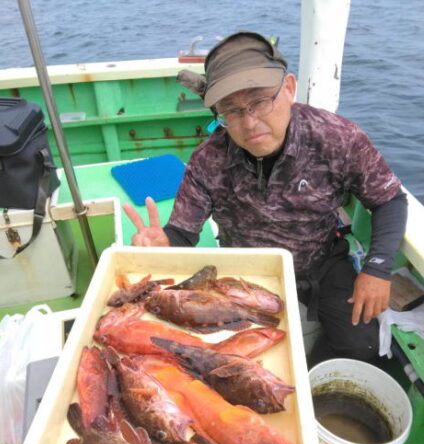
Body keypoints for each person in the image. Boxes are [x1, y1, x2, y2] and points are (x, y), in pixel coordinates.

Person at [124, 31, 408, 366]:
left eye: (259, 101)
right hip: (245, 272)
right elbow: (182, 233)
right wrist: (162, 243)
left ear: (289, 88)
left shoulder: (337, 138)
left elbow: (389, 199)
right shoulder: (208, 159)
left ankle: (314, 374)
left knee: (363, 347)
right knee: (225, 358)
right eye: (231, 110)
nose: (249, 121)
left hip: (321, 262)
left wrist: (377, 269)